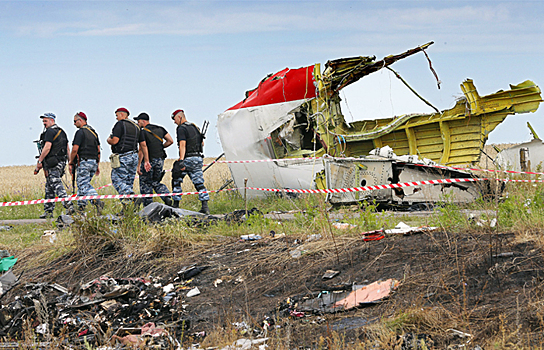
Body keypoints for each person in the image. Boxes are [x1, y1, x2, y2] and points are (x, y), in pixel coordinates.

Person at [106, 107, 151, 206]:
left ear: (122, 114)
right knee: (128, 182)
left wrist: (109, 139)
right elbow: (143, 145)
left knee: (116, 179)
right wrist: (146, 160)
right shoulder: (137, 127)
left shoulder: (120, 124)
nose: (116, 118)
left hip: (123, 157)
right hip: (134, 157)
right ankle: (128, 207)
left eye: (117, 115)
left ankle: (131, 196)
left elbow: (115, 141)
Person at [34, 112, 75, 218]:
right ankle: (48, 211)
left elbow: (47, 147)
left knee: (56, 183)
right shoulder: (62, 132)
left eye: (45, 121)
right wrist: (70, 162)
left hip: (53, 162)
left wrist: (39, 161)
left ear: (52, 120)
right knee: (49, 186)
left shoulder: (50, 132)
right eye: (43, 121)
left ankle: (69, 206)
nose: (44, 123)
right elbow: (67, 148)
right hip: (61, 162)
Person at [171, 109, 210, 214]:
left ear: (179, 117)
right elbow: (202, 143)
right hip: (198, 158)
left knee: (176, 178)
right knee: (199, 183)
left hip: (188, 158)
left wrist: (181, 160)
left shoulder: (181, 128)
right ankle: (205, 207)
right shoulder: (195, 127)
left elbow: (182, 144)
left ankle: (175, 205)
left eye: (174, 119)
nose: (174, 122)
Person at [134, 112, 174, 207]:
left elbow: (142, 147)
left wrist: (142, 163)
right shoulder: (160, 129)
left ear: (143, 121)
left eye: (139, 122)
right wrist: (161, 147)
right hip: (160, 159)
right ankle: (166, 196)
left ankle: (148, 207)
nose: (138, 124)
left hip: (149, 160)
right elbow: (170, 141)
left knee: (145, 183)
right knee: (155, 181)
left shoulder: (142, 132)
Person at [68, 111, 104, 213]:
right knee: (82, 185)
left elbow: (75, 149)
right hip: (93, 162)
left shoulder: (80, 132)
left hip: (84, 162)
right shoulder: (93, 132)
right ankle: (81, 208)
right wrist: (97, 164)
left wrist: (71, 162)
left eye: (75, 121)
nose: (74, 124)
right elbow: (98, 150)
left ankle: (97, 201)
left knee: (83, 184)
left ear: (80, 120)